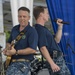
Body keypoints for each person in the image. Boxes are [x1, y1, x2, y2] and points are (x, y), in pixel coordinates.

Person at [33, 6, 71, 75]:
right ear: (41, 15)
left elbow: (57, 40)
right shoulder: (39, 29)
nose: (48, 15)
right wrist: (52, 63)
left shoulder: (43, 29)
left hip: (57, 59)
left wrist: (60, 27)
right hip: (54, 59)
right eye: (47, 13)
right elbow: (42, 48)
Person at [3, 7, 38, 75]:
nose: (22, 18)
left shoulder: (32, 31)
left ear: (29, 18)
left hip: (24, 63)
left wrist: (16, 52)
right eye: (20, 16)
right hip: (12, 63)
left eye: (24, 16)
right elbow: (9, 42)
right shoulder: (14, 29)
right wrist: (7, 49)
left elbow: (32, 50)